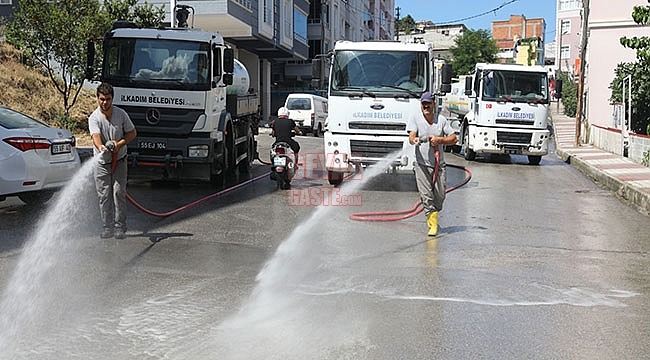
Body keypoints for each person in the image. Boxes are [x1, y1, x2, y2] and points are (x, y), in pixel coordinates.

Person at [88, 82, 137, 239]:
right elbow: (95, 137)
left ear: (112, 99)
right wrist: (101, 147)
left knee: (118, 192)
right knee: (104, 195)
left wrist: (119, 144)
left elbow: (132, 133)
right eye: (101, 99)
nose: (104, 103)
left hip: (120, 160)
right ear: (97, 98)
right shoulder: (94, 118)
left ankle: (120, 226)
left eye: (108, 99)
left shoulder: (121, 114)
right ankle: (106, 227)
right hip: (101, 163)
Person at [407, 91, 458, 236]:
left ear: (434, 104)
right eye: (424, 104)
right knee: (426, 196)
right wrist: (415, 140)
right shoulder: (415, 118)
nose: (426, 106)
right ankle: (433, 224)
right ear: (421, 105)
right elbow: (411, 135)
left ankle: (433, 213)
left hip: (438, 165)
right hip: (421, 165)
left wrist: (439, 140)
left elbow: (454, 138)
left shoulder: (441, 120)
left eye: (428, 103)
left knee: (440, 196)